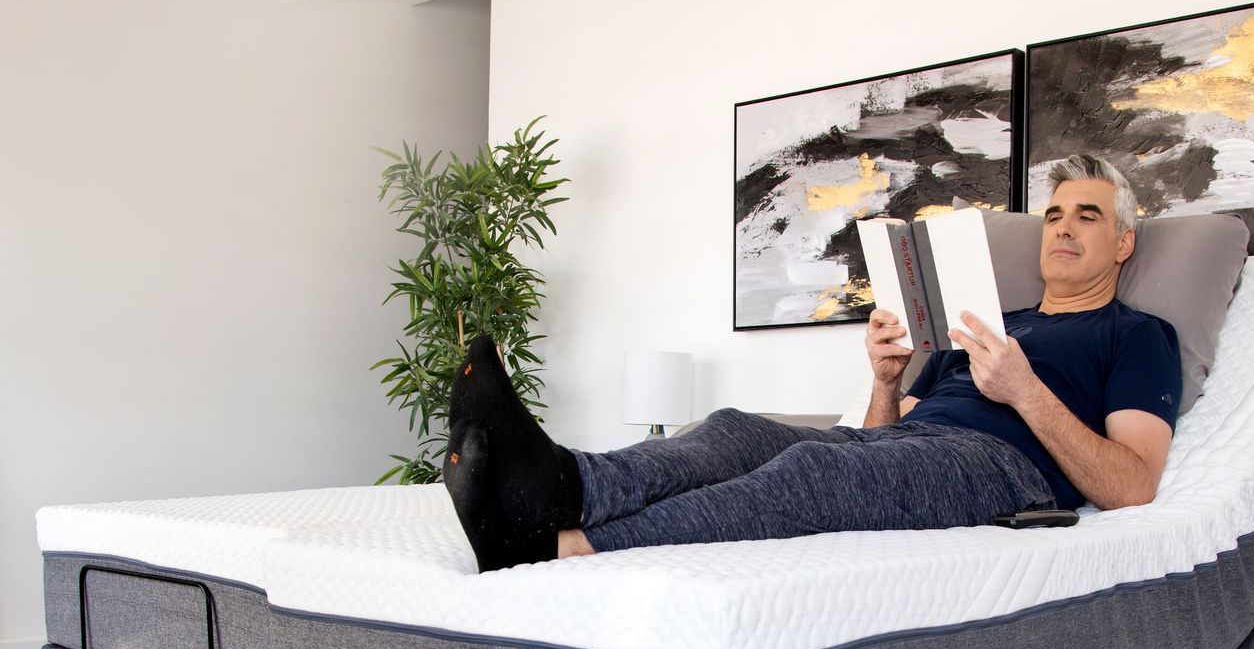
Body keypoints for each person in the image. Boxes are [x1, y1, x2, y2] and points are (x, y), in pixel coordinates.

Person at [443, 153, 1181, 573]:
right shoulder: (990, 320)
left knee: (814, 474)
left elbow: (1133, 486)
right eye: (1054, 214)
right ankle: (564, 483)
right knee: (733, 430)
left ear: (1123, 244)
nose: (1063, 227)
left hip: (1003, 473)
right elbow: (884, 440)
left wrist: (1024, 391)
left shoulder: (1135, 334)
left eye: (1088, 216)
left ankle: (562, 547)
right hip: (910, 450)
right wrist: (885, 382)